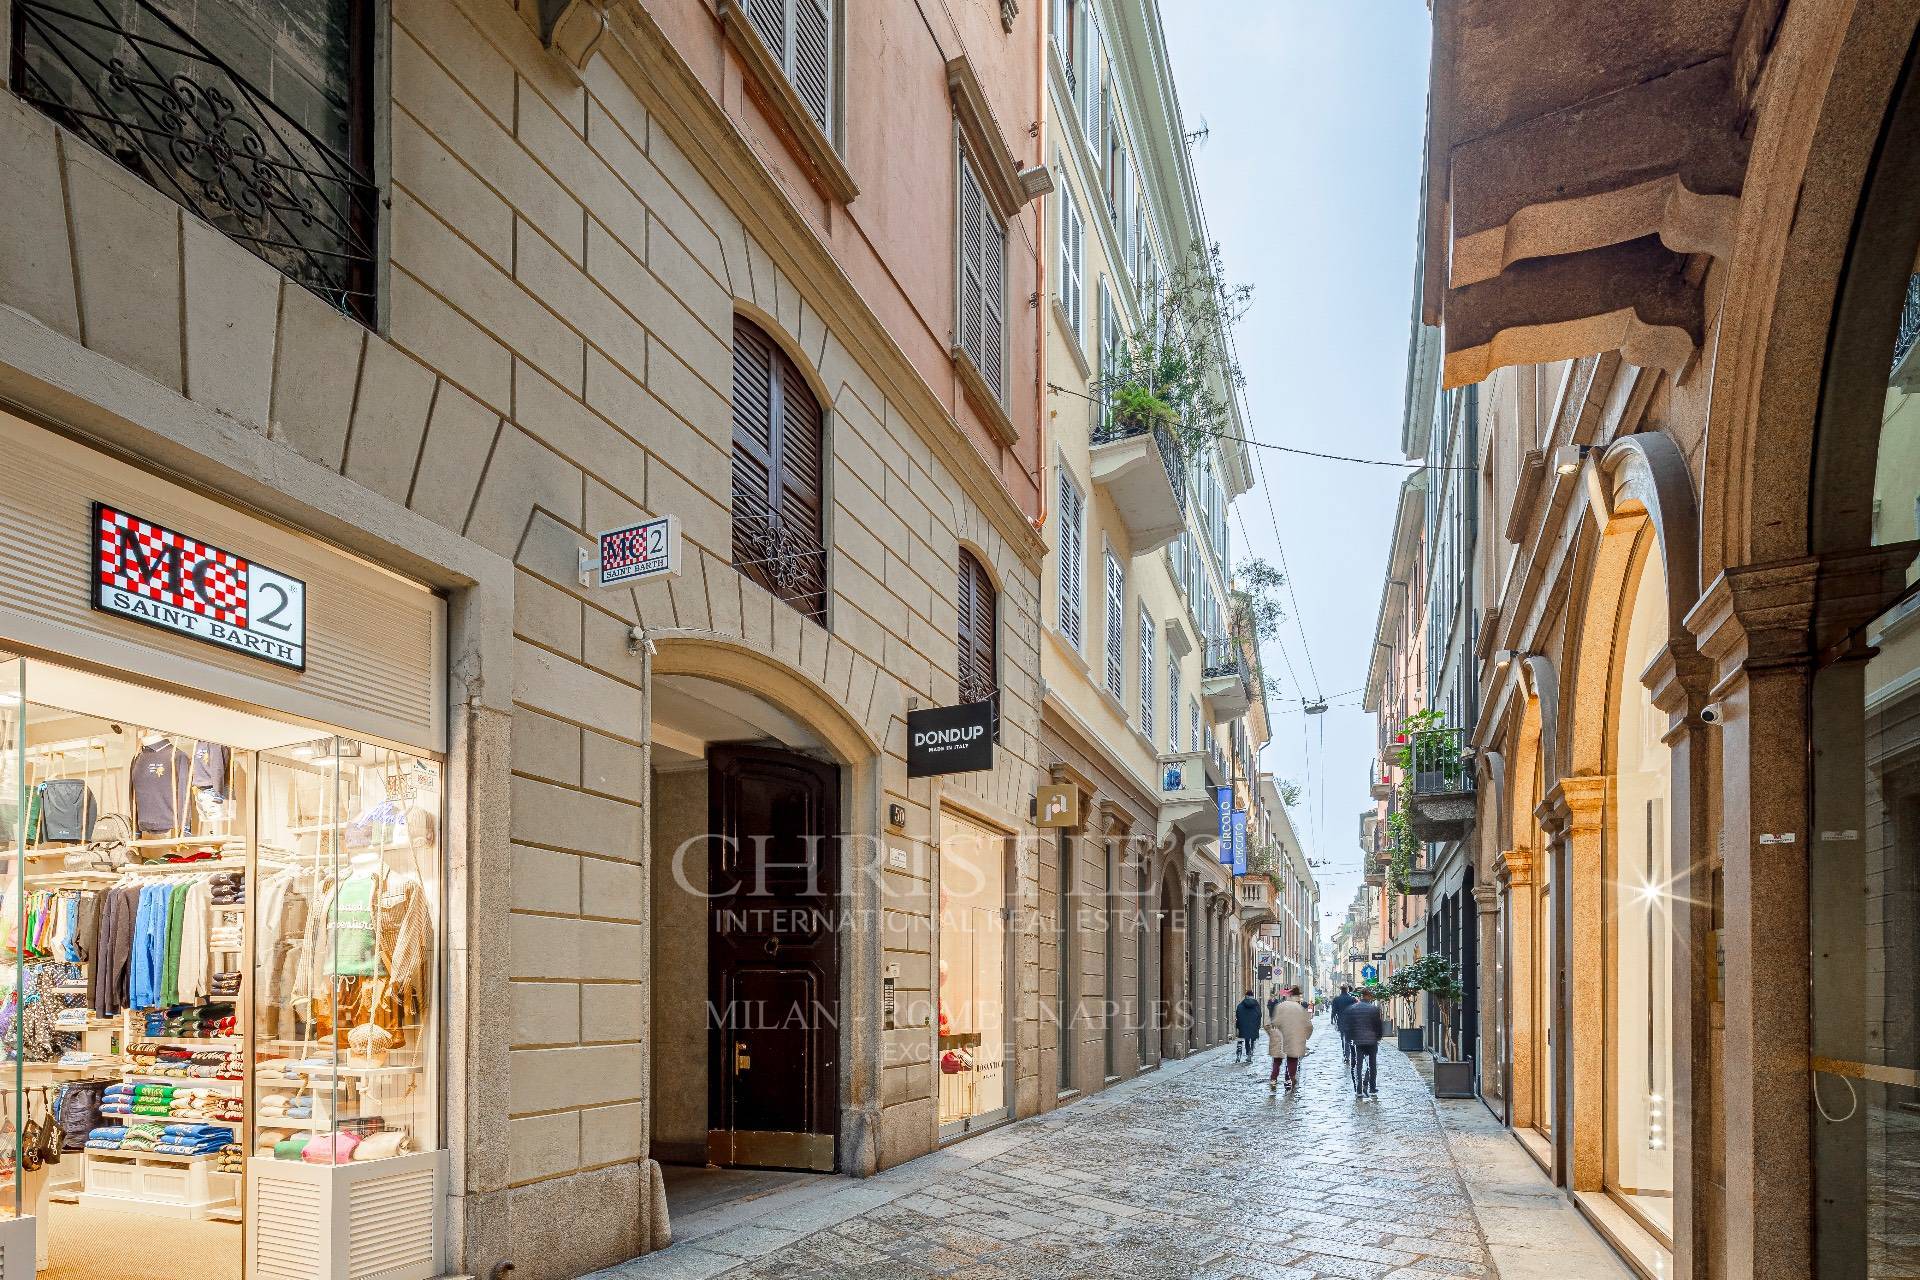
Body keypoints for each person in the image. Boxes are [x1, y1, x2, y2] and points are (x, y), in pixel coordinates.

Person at [1266, 987, 1313, 1093]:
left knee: (1277, 1061)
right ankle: (1288, 1081)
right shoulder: (1300, 1009)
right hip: (1294, 1038)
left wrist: (1272, 1034)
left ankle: (1273, 1080)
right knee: (1292, 1060)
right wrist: (1306, 1036)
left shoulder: (1280, 1006)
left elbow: (1273, 1022)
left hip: (1280, 1037)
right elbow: (1308, 1025)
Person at [1340, 988, 1385, 1098]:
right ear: (1369, 996)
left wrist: (1350, 1038)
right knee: (1372, 1065)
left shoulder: (1352, 1009)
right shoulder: (1374, 1009)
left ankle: (1359, 1090)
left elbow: (1348, 1026)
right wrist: (1378, 1037)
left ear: (1361, 996)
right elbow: (1378, 1026)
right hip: (1372, 1041)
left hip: (1358, 1041)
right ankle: (1372, 1087)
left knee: (1359, 1066)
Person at [1330, 983, 1358, 1067]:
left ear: (1341, 990)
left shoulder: (1336, 999)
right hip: (1351, 1021)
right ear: (1347, 990)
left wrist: (1332, 1019)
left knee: (1343, 1038)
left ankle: (1346, 1055)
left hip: (1341, 1021)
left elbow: (1334, 1010)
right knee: (1349, 1039)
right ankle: (1350, 1054)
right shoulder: (1352, 999)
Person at [1233, 989, 1262, 1063]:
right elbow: (1259, 1015)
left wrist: (1238, 1025)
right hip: (1254, 1026)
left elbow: (1238, 1015)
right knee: (1252, 1039)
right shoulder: (1256, 1005)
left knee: (1243, 1039)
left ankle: (1239, 1055)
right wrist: (1258, 1025)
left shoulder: (1240, 1005)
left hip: (1243, 1026)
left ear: (1246, 996)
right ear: (1252, 996)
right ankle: (1250, 1053)